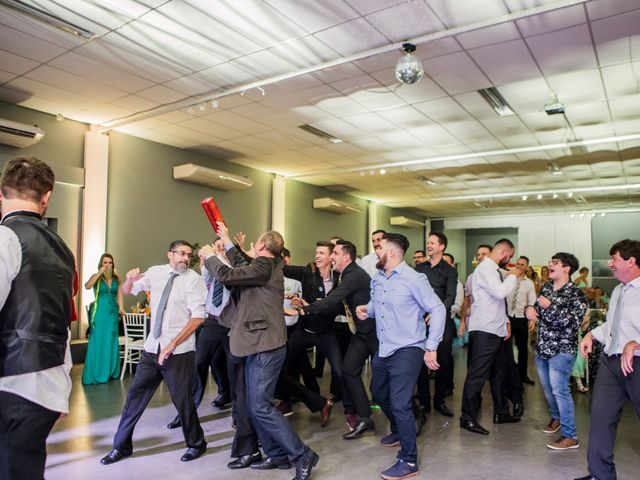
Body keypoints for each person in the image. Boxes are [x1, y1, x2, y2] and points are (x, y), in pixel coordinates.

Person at [201, 223, 319, 480]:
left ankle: (302, 455)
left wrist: (210, 255)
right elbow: (243, 263)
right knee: (257, 405)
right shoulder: (268, 265)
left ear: (263, 246)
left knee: (261, 406)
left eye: (256, 243)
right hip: (259, 343)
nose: (254, 246)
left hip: (266, 346)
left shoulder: (264, 266)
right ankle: (276, 455)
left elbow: (229, 275)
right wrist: (228, 241)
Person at [0, 157, 76, 480]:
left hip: (9, 383)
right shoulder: (64, 250)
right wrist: (61, 387)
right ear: (46, 198)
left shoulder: (5, 239)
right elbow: (63, 325)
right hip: (45, 388)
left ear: (1, 194)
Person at [100, 241, 208, 465]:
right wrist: (129, 279)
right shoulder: (156, 272)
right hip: (152, 349)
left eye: (189, 255)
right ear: (170, 254)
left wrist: (172, 344)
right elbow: (127, 290)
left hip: (179, 352)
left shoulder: (194, 280)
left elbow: (198, 316)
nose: (186, 259)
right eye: (182, 254)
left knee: (182, 401)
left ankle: (197, 443)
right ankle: (121, 446)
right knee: (134, 398)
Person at [357, 232, 446, 480]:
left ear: (393, 253)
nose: (376, 250)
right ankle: (401, 426)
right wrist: (367, 310)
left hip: (409, 347)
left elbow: (437, 308)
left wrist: (431, 346)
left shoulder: (414, 278)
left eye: (380, 247)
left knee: (399, 402)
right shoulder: (378, 278)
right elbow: (377, 305)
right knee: (378, 393)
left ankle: (408, 460)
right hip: (385, 347)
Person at [289, 240, 377, 440]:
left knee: (382, 382)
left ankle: (411, 415)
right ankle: (363, 418)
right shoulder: (342, 275)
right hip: (358, 333)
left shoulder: (350, 276)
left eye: (333, 253)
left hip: (372, 333)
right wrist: (309, 304)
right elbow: (334, 305)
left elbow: (333, 301)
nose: (329, 256)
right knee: (348, 371)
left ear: (344, 257)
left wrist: (304, 308)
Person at [575, 239, 640, 480]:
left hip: (637, 362)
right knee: (601, 418)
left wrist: (637, 344)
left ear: (631, 261)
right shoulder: (618, 291)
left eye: (614, 259)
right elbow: (613, 326)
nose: (610, 264)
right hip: (611, 363)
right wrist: (592, 334)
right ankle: (600, 475)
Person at [526, 252, 587, 451]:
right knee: (547, 388)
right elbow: (537, 308)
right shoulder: (546, 288)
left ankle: (570, 436)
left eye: (555, 262)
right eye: (550, 260)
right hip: (543, 346)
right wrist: (530, 310)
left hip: (562, 349)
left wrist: (550, 307)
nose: (549, 264)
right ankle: (556, 418)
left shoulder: (576, 293)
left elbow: (574, 322)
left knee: (560, 390)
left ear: (567, 268)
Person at [460, 239, 521, 436]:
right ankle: (467, 418)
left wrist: (505, 322)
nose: (509, 259)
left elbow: (496, 302)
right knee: (477, 374)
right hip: (485, 330)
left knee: (499, 373)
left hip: (496, 328)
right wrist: (512, 276)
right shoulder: (486, 268)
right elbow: (499, 292)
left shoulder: (492, 270)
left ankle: (501, 412)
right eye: (509, 255)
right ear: (503, 251)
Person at [415, 232, 458, 418]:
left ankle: (439, 400)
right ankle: (424, 401)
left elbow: (450, 297)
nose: (428, 245)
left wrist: (436, 313)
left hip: (442, 320)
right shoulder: (419, 268)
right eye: (428, 242)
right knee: (420, 361)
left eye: (432, 243)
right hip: (419, 319)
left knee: (443, 361)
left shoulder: (450, 270)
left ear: (442, 247)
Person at [82, 253, 125, 385]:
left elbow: (119, 295)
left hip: (112, 314)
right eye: (105, 262)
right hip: (99, 314)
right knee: (99, 340)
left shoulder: (117, 279)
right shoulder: (96, 278)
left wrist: (121, 308)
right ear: (101, 264)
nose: (107, 265)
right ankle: (97, 372)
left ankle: (111, 372)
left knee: (110, 341)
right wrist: (98, 273)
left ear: (113, 264)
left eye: (110, 262)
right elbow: (88, 286)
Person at [507, 255, 537, 386]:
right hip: (507, 318)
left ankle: (523, 374)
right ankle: (507, 374)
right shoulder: (508, 279)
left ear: (527, 267)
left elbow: (532, 302)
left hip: (521, 319)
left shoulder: (529, 283)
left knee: (522, 348)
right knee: (506, 348)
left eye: (522, 264)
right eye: (517, 264)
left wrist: (532, 319)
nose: (519, 266)